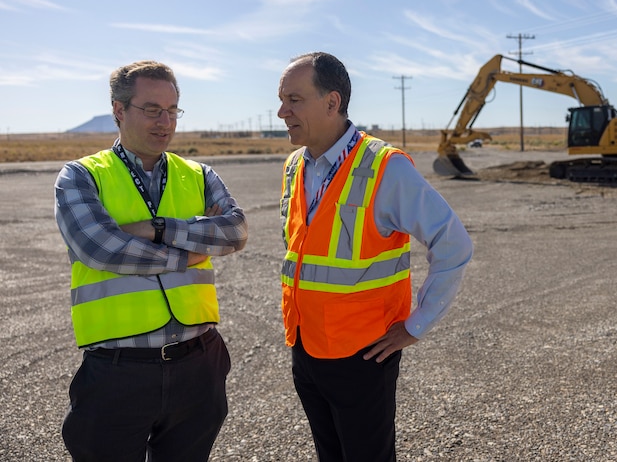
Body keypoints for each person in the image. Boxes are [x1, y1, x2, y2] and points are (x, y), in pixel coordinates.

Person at [276, 51, 473, 461]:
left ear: (332, 102)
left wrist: (416, 325)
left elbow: (453, 243)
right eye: (282, 99)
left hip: (363, 355)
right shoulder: (296, 165)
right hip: (306, 347)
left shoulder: (385, 166)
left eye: (294, 100)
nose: (282, 111)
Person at [54, 60, 248, 462]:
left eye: (172, 110)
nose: (165, 122)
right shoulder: (81, 176)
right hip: (117, 372)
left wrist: (156, 228)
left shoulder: (198, 173)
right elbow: (103, 249)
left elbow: (235, 232)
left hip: (199, 365)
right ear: (119, 110)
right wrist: (194, 251)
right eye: (152, 109)